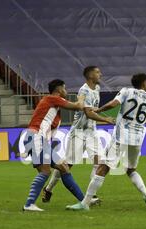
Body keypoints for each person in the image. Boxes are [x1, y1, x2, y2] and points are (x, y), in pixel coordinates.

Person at [66, 73, 146, 211]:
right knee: (131, 170)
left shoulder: (126, 91)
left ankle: (84, 203)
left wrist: (99, 109)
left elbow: (114, 103)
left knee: (103, 167)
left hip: (121, 136)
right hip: (137, 138)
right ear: (144, 83)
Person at [22, 79, 112, 212]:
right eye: (64, 89)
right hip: (36, 138)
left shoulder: (53, 105)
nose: (66, 91)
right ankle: (29, 204)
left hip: (37, 139)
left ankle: (84, 202)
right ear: (59, 90)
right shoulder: (53, 98)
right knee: (45, 172)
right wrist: (82, 98)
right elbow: (78, 106)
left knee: (63, 168)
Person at [42, 66, 105, 205]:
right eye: (97, 72)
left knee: (99, 162)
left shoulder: (98, 89)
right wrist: (106, 119)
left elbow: (92, 109)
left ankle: (91, 195)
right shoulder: (83, 90)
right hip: (78, 132)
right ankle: (48, 189)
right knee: (66, 165)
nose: (100, 74)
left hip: (91, 131)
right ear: (90, 75)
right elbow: (86, 111)